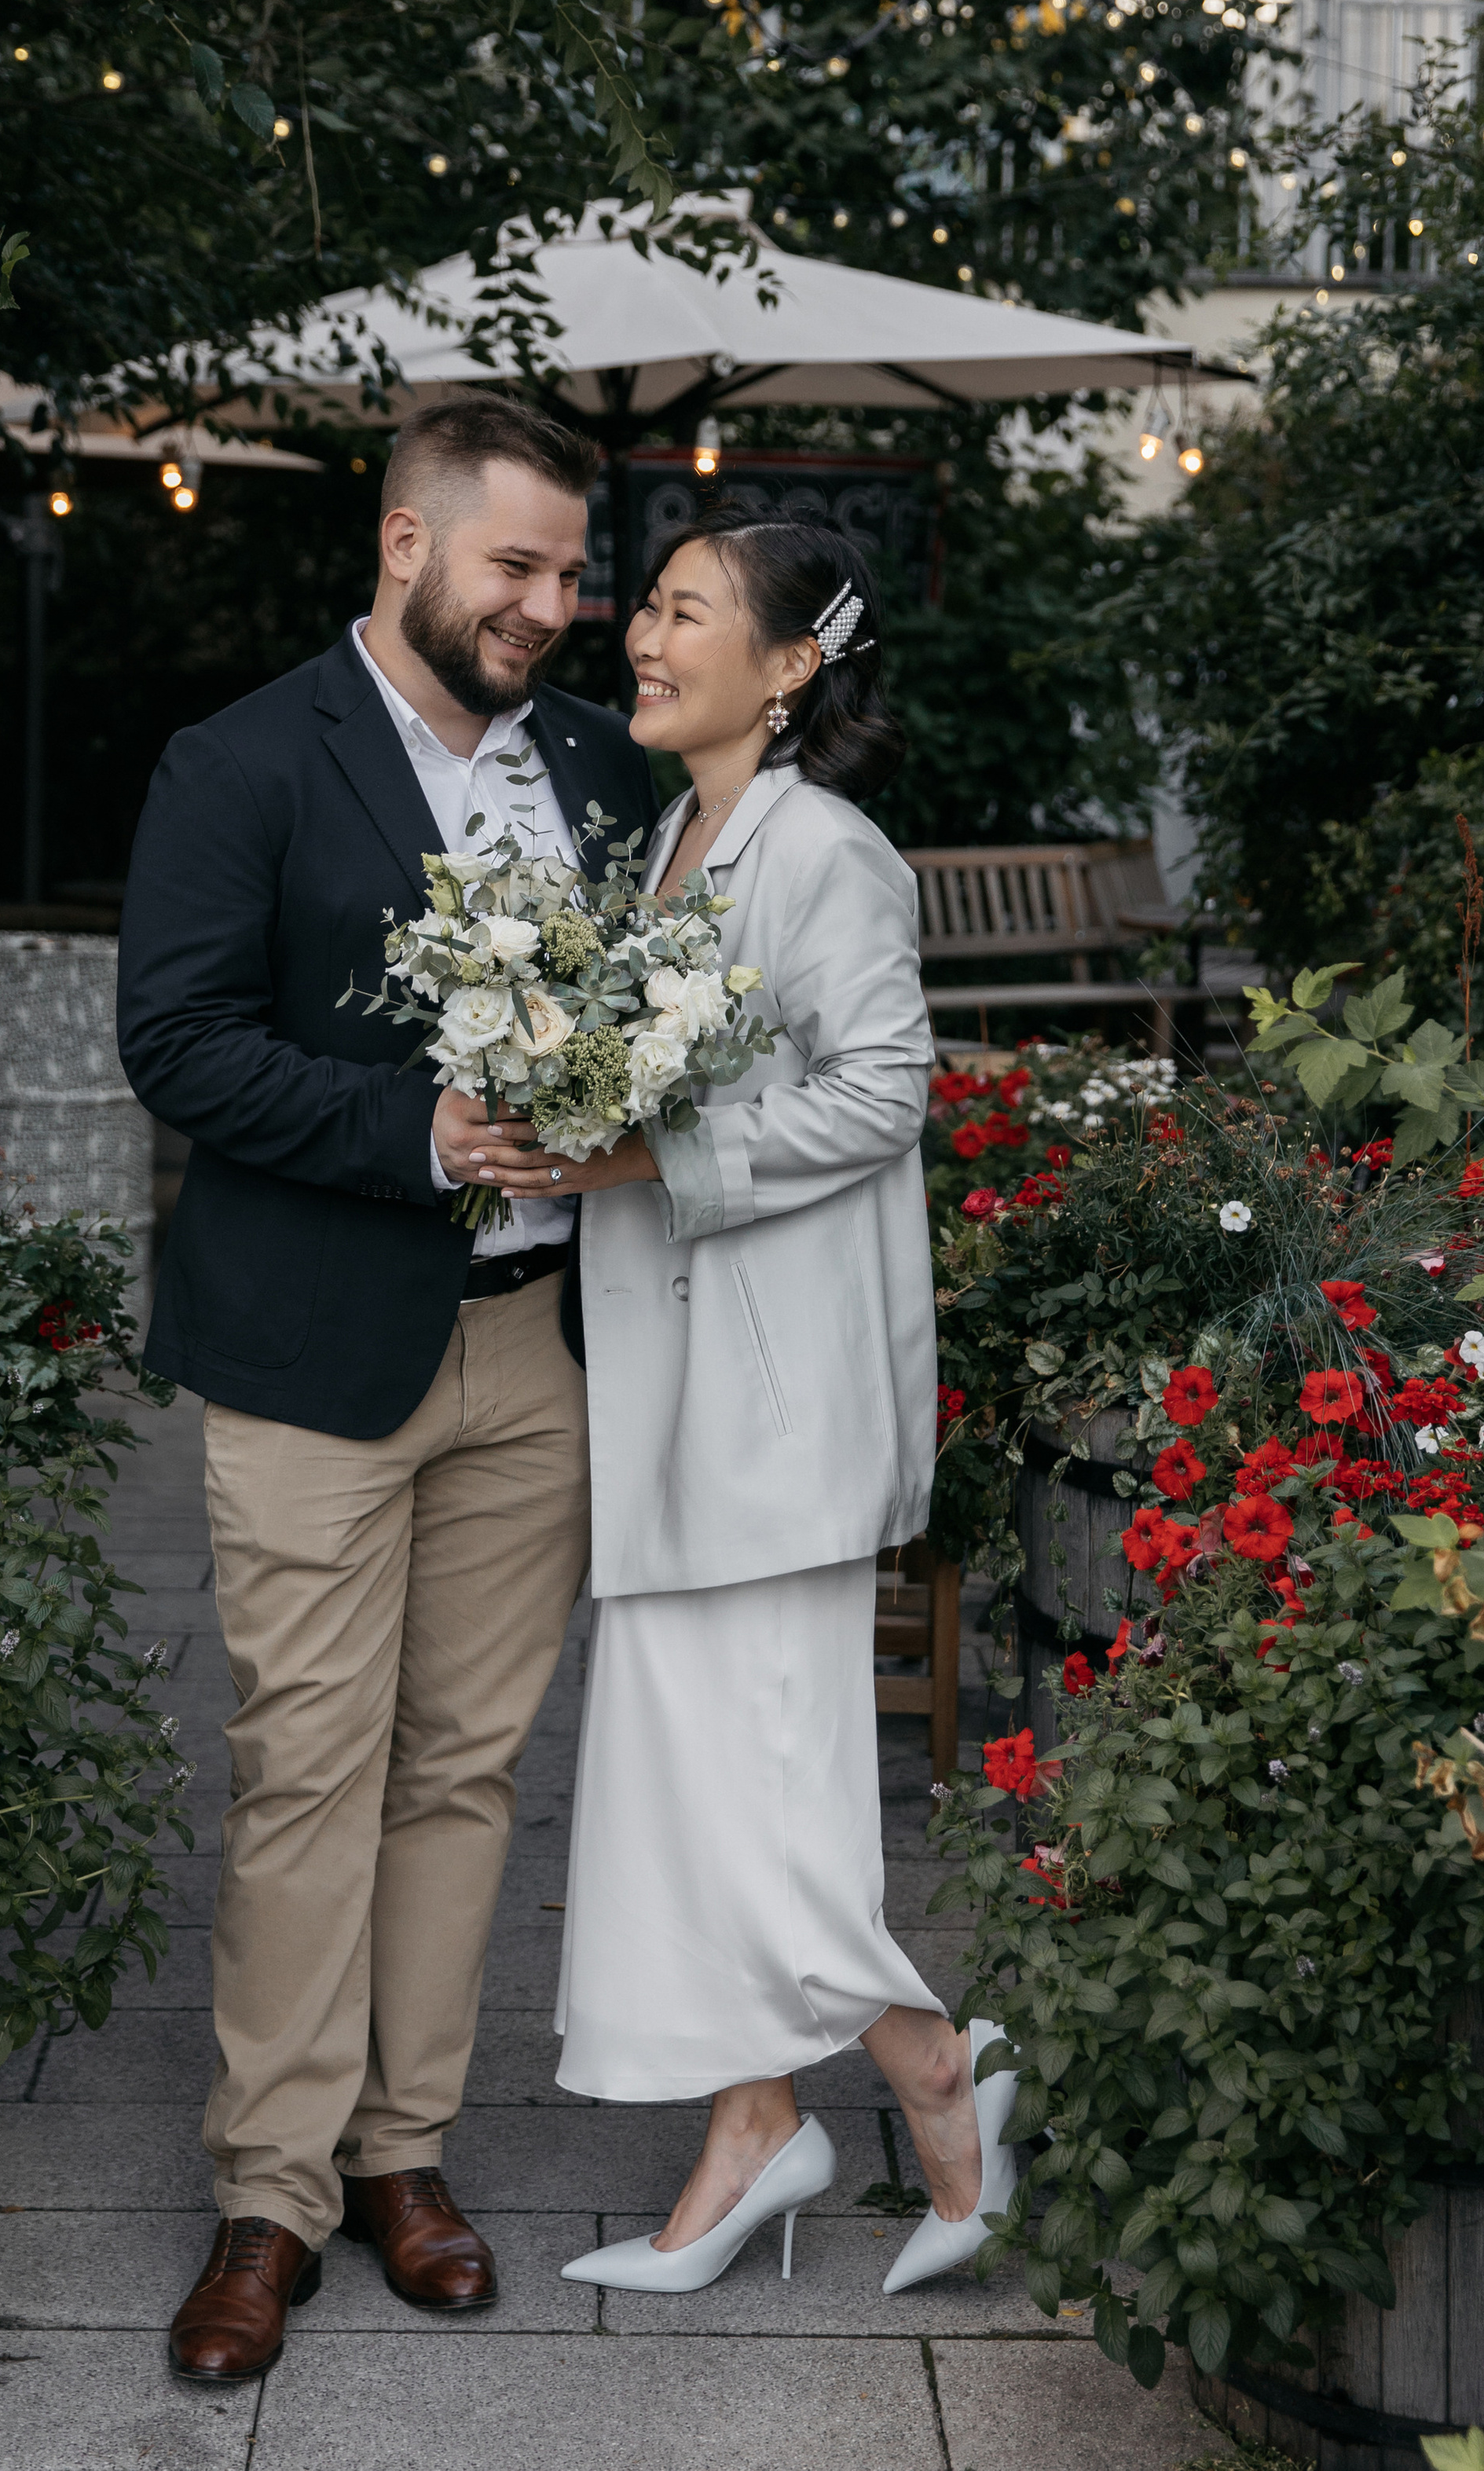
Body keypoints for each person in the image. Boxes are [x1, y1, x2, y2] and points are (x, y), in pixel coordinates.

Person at [116, 393, 657, 2383]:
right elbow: (175, 1040)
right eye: (516, 565)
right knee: (305, 1770)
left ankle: (400, 2153)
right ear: (406, 544)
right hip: (311, 1353)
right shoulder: (244, 756)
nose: (551, 607)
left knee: (462, 1770)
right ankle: (268, 2194)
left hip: (540, 1345)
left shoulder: (600, 769)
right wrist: (413, 1131)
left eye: (570, 574)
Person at [473, 500, 1020, 2298]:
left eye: (685, 611)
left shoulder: (826, 851)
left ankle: (929, 2070)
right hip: (669, 1392)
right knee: (688, 1783)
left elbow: (881, 1091)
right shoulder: (670, 842)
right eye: (644, 605)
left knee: (765, 1788)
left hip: (776, 1408)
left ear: (787, 666)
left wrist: (642, 1153)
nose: (639, 636)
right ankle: (751, 2126)